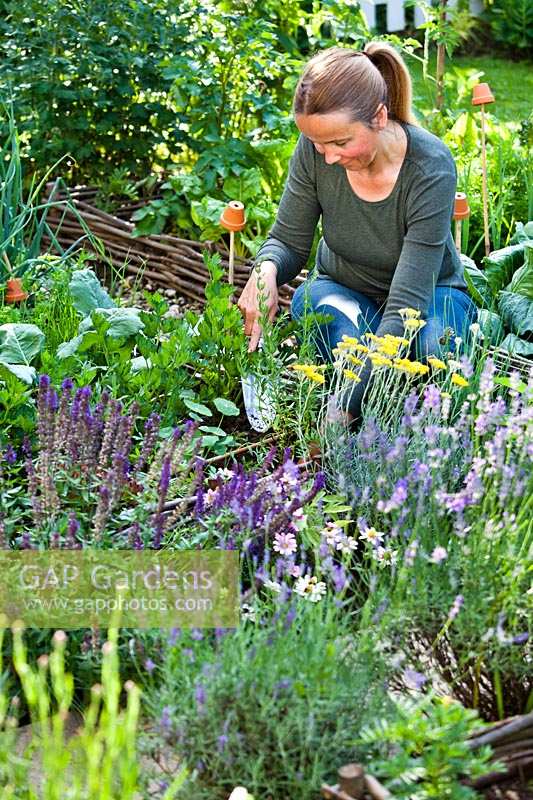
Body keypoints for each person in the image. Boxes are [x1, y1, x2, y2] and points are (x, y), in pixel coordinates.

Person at [237, 43, 477, 419]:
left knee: (433, 347)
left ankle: (405, 414)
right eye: (317, 144)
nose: (328, 157)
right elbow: (287, 240)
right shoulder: (316, 150)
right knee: (344, 333)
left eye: (340, 143)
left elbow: (406, 303)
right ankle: (383, 392)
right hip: (342, 288)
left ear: (379, 118)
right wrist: (264, 271)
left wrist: (345, 405)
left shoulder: (430, 168)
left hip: (429, 299)